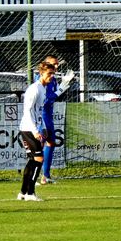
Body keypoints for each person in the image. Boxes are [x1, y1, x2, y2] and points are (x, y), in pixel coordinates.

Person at [17, 61, 55, 201]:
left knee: (32, 160)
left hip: (32, 128)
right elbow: (27, 110)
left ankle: (22, 192)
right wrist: (35, 130)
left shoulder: (43, 89)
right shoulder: (34, 89)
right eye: (49, 73)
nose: (51, 76)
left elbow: (39, 112)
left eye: (53, 74)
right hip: (28, 128)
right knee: (39, 158)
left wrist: (43, 127)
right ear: (41, 73)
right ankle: (30, 193)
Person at [37, 55, 74, 185]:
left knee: (50, 143)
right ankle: (37, 176)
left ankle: (45, 176)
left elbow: (53, 97)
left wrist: (61, 87)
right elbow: (47, 100)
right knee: (41, 144)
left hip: (48, 115)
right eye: (54, 64)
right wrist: (61, 89)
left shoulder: (52, 79)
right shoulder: (41, 80)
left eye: (57, 64)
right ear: (45, 65)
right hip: (42, 116)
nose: (57, 67)